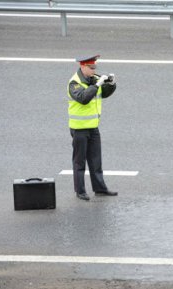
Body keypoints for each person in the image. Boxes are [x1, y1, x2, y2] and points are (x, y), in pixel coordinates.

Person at [67, 54, 118, 200]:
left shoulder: (94, 79)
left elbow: (103, 94)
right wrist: (96, 85)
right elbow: (83, 98)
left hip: (93, 127)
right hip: (79, 128)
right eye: (91, 67)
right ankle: (80, 191)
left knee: (96, 160)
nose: (94, 70)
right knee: (79, 161)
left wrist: (111, 84)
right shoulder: (74, 83)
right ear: (83, 66)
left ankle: (100, 188)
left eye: (94, 67)